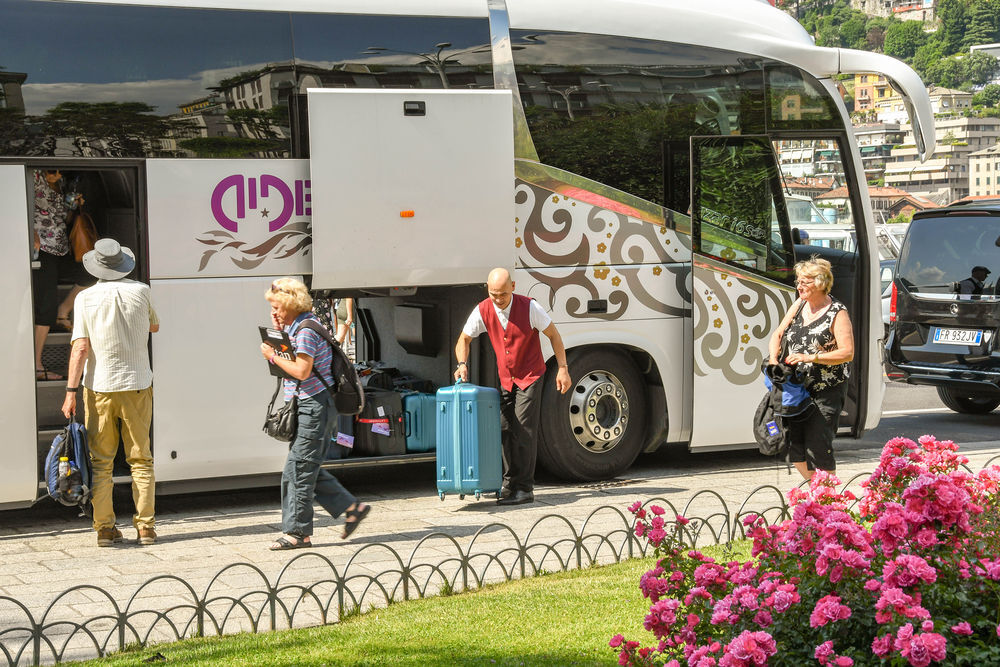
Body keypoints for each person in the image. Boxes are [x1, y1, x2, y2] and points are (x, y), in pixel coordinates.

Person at [60, 239, 159, 546]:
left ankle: (105, 529)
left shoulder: (85, 298)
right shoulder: (142, 291)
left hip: (98, 387)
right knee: (140, 459)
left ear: (97, 267)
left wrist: (70, 392)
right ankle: (146, 528)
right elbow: (154, 327)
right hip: (137, 384)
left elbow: (80, 348)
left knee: (101, 461)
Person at [260, 278, 370, 549]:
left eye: (277, 307)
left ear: (291, 304)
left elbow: (301, 370)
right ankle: (351, 507)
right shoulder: (297, 326)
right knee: (303, 466)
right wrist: (279, 334)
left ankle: (298, 533)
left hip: (315, 406)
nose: (273, 312)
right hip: (306, 405)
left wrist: (273, 356)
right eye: (271, 307)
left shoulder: (307, 330)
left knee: (297, 468)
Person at [453, 268, 572, 506]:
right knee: (505, 428)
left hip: (530, 375)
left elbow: (554, 335)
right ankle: (509, 484)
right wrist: (462, 363)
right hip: (507, 378)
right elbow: (463, 339)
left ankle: (524, 488)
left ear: (514, 287)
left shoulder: (530, 307)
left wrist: (563, 368)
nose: (498, 299)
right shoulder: (483, 309)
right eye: (493, 293)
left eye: (503, 294)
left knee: (523, 429)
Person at [768, 257, 854, 481]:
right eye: (798, 281)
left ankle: (827, 502)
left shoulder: (837, 312)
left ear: (820, 282)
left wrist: (811, 357)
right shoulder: (799, 305)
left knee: (818, 447)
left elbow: (848, 352)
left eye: (804, 282)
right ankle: (818, 496)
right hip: (796, 388)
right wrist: (773, 360)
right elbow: (777, 334)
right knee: (795, 449)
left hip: (825, 391)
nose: (799, 286)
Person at [32, 169, 91, 380]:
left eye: (59, 172)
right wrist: (30, 233)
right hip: (42, 251)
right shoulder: (33, 176)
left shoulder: (63, 183)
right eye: (53, 171)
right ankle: (37, 366)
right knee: (44, 307)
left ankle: (63, 310)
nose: (57, 175)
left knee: (90, 273)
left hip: (62, 246)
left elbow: (63, 219)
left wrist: (74, 206)